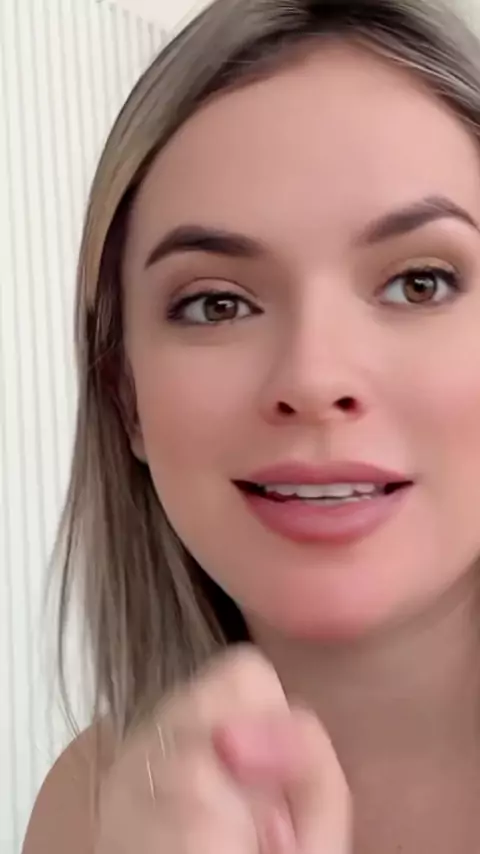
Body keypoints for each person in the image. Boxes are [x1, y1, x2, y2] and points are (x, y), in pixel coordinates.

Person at [21, 0, 480, 850]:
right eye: (216, 304)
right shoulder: (92, 809)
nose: (314, 378)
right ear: (125, 396)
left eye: (419, 283)